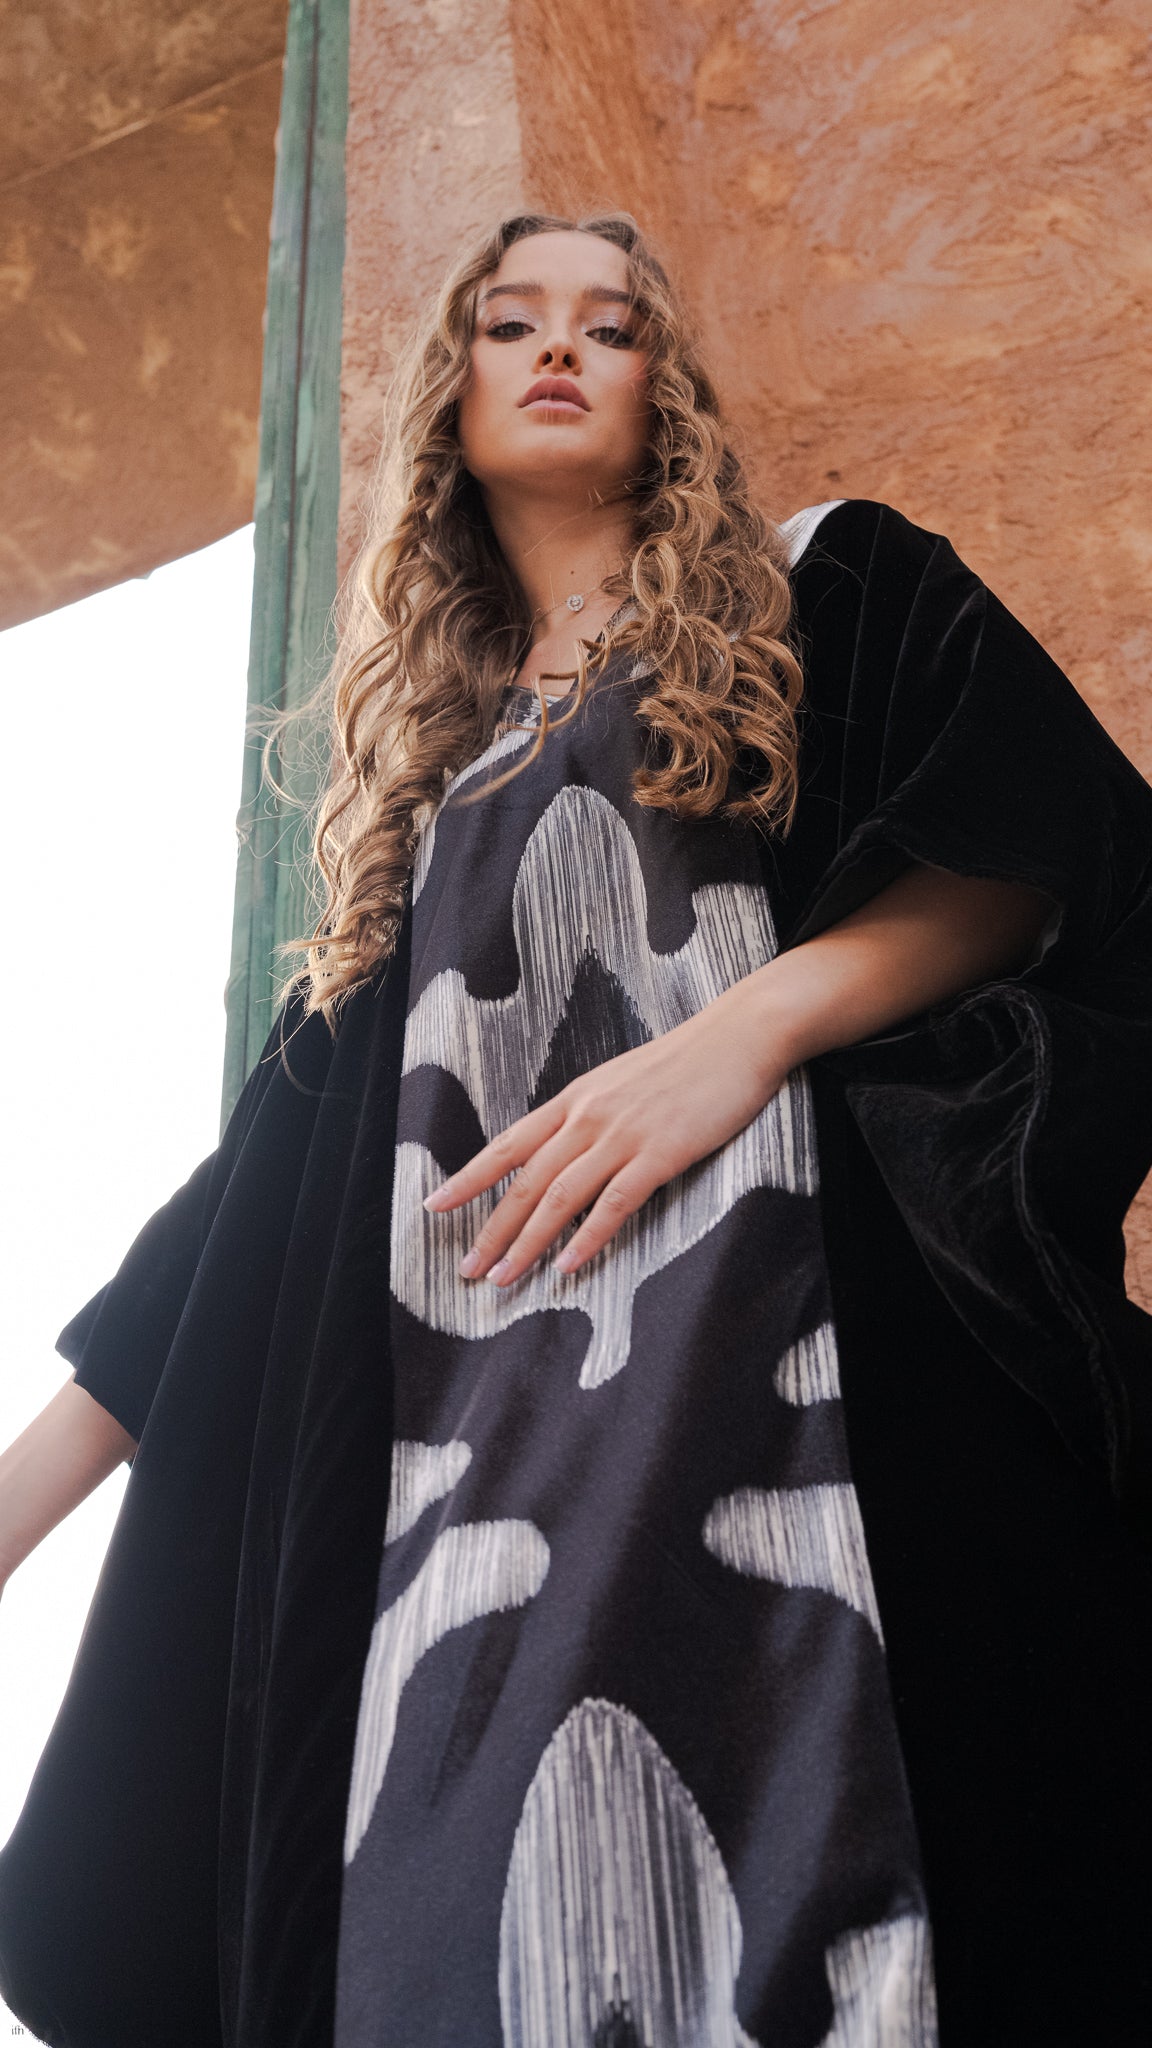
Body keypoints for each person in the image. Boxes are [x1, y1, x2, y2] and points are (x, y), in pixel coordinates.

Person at [0, 211, 1149, 2048]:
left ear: (661, 389)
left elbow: (1037, 854)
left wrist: (739, 1038)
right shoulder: (417, 817)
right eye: (510, 320)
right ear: (447, 398)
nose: (559, 347)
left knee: (855, 1867)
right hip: (464, 1463)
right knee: (458, 1935)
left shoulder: (827, 590)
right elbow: (233, 1225)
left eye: (610, 326)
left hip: (778, 1372)